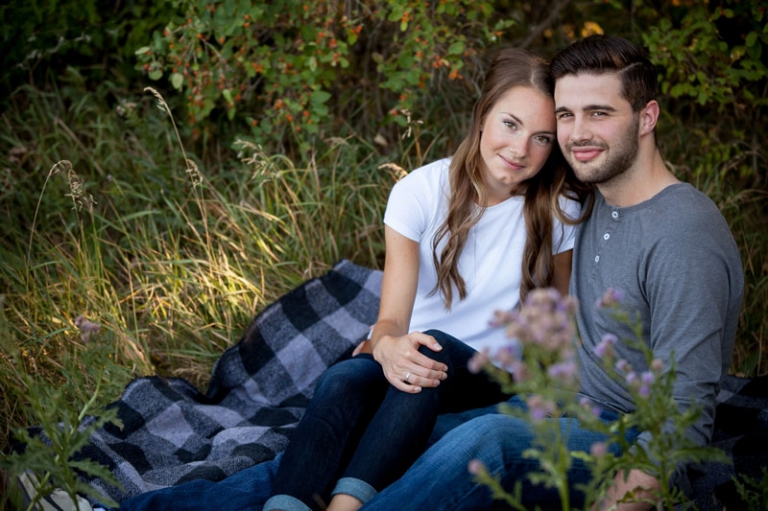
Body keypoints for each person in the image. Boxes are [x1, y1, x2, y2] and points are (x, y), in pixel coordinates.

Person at [358, 35, 744, 510]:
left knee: (484, 442)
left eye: (599, 113)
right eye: (566, 116)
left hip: (619, 431)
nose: (577, 133)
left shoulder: (685, 234)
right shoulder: (590, 199)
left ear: (647, 117)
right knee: (378, 436)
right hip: (556, 404)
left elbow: (684, 419)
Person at [261, 48, 590, 511]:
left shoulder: (558, 211)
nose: (521, 150)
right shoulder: (419, 192)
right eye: (510, 125)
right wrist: (387, 344)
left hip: (498, 375)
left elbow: (560, 324)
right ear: (481, 117)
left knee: (427, 352)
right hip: (421, 355)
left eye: (542, 138)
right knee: (343, 380)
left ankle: (345, 508)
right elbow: (391, 319)